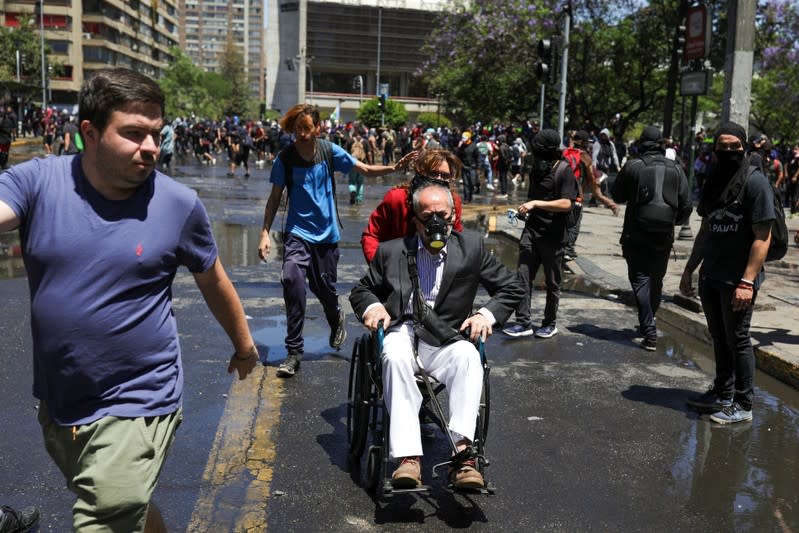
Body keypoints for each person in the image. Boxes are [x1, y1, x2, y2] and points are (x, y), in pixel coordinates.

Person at [1, 69, 259, 532]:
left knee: (105, 513)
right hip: (62, 398)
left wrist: (244, 347)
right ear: (89, 133)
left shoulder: (178, 203)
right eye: (134, 134)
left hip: (141, 395)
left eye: (156, 135)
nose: (151, 148)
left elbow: (212, 279)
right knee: (121, 506)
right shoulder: (40, 180)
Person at [349, 181, 524, 490]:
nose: (435, 222)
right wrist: (374, 306)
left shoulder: (471, 247)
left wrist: (485, 314)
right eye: (426, 214)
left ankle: (463, 456)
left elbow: (512, 287)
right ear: (414, 218)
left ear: (452, 214)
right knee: (393, 355)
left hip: (446, 337)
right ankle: (408, 458)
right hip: (404, 332)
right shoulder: (392, 251)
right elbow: (362, 289)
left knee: (470, 356)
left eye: (441, 214)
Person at [257, 104, 413, 378]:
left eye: (307, 128)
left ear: (317, 128)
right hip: (297, 232)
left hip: (326, 236)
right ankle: (294, 352)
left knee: (324, 288)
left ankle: (334, 314)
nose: (302, 134)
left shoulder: (329, 151)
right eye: (297, 129)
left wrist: (393, 167)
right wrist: (264, 233)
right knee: (292, 279)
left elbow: (363, 169)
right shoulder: (286, 158)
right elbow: (274, 198)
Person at [680, 121, 776, 424]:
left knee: (738, 338)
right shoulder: (714, 180)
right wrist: (689, 269)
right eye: (723, 147)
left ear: (745, 146)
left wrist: (747, 281)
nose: (729, 152)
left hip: (738, 279)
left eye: (735, 147)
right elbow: (705, 231)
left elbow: (763, 236)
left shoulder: (755, 183)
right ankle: (722, 392)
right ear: (714, 149)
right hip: (712, 274)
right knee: (719, 336)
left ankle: (743, 403)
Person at [611, 126, 692, 351]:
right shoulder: (677, 168)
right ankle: (648, 322)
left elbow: (617, 195)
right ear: (661, 143)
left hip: (635, 233)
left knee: (640, 280)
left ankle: (648, 329)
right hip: (664, 236)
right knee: (655, 280)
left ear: (641, 143)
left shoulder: (633, 166)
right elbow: (686, 206)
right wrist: (670, 222)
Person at [503, 129, 577, 339]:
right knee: (523, 277)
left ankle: (549, 322)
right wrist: (525, 210)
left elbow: (567, 203)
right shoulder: (535, 167)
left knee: (553, 282)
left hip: (553, 236)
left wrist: (537, 203)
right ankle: (523, 322)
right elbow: (533, 198)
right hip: (531, 232)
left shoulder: (564, 170)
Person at [361, 148, 464, 263]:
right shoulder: (397, 199)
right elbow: (371, 236)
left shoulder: (453, 202)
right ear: (421, 172)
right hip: (398, 266)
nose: (438, 179)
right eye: (433, 173)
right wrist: (379, 267)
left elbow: (457, 238)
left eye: (445, 176)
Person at [562, 130, 619, 262]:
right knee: (575, 223)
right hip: (577, 195)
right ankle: (569, 250)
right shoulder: (584, 156)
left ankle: (561, 247)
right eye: (587, 142)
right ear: (583, 143)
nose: (589, 145)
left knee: (564, 221)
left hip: (561, 195)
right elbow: (591, 176)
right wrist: (596, 185)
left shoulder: (564, 153)